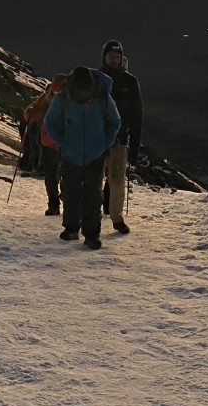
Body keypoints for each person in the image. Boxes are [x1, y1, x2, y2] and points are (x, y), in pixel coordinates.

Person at [43, 66, 121, 249]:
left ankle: (92, 234)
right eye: (79, 91)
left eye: (85, 91)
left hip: (95, 154)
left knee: (93, 194)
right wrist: (61, 142)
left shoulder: (102, 98)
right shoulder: (63, 99)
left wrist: (105, 142)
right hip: (71, 154)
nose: (82, 95)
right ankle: (71, 229)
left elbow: (115, 122)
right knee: (71, 192)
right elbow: (49, 122)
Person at [98, 39, 143, 235]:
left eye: (117, 56)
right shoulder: (97, 79)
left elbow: (136, 114)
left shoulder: (130, 82)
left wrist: (135, 143)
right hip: (97, 138)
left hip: (119, 138)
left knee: (117, 180)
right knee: (94, 178)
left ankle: (116, 218)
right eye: (111, 56)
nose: (114, 60)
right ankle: (92, 214)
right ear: (105, 57)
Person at [21, 74, 67, 215]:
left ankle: (54, 205)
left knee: (51, 175)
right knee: (64, 172)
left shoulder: (47, 97)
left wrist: (31, 114)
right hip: (63, 141)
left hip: (48, 139)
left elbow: (30, 112)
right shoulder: (70, 99)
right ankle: (64, 198)